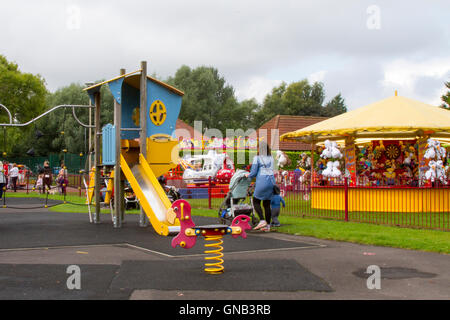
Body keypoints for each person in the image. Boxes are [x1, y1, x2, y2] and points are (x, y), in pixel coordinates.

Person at [246, 141, 275, 232]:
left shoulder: (257, 158)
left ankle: (262, 220)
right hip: (271, 181)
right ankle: (268, 225)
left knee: (256, 201)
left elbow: (253, 172)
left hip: (262, 181)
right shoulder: (271, 158)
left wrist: (248, 175)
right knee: (266, 204)